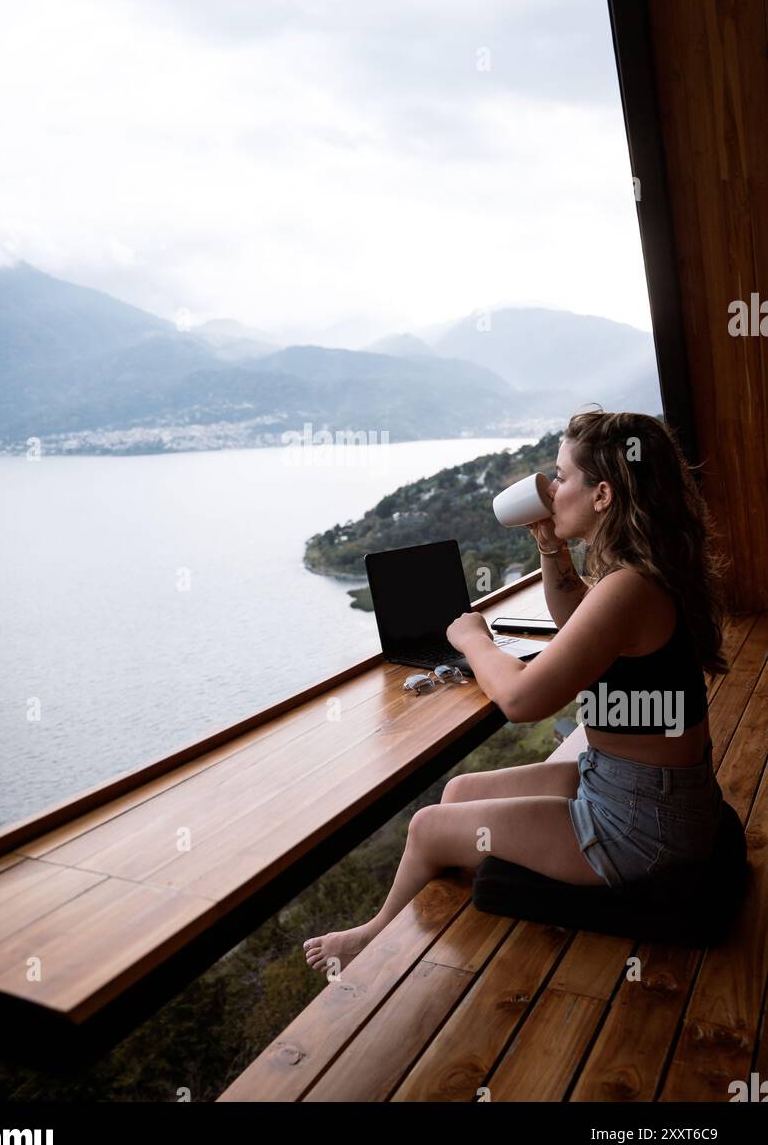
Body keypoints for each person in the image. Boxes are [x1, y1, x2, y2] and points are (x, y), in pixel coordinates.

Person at [304, 407, 731, 974]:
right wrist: (550, 547)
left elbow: (524, 701)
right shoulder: (641, 574)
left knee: (428, 827)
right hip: (637, 787)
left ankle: (373, 938)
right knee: (457, 795)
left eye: (561, 476)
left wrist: (474, 638)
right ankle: (457, 921)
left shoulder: (630, 586)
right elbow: (577, 613)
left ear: (602, 494)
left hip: (642, 823)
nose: (550, 489)